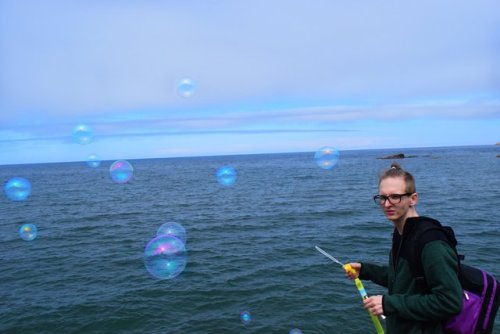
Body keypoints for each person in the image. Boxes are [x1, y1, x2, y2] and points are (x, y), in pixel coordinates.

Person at [346, 162, 462, 333]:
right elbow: (405, 280)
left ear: (413, 199)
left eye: (395, 197)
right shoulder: (402, 233)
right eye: (383, 198)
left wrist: (389, 303)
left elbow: (449, 302)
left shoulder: (432, 243)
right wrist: (365, 271)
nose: (387, 204)